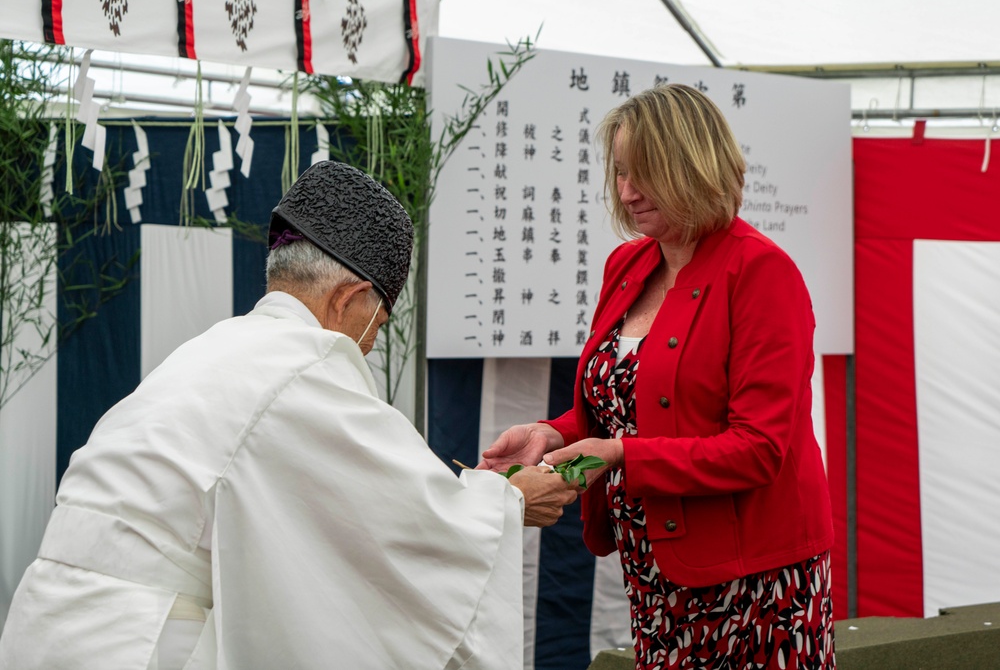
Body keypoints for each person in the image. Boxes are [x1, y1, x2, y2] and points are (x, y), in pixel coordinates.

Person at [0, 161, 578, 670]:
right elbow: (410, 525)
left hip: (44, 618)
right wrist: (510, 502)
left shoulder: (213, 347)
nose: (372, 346)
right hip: (135, 641)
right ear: (349, 299)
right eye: (378, 324)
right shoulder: (307, 365)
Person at [478, 85, 836, 669]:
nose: (627, 192)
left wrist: (613, 455)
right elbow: (634, 402)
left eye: (644, 173)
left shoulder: (762, 272)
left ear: (695, 166)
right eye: (619, 173)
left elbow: (759, 449)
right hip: (655, 566)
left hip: (755, 576)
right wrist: (555, 434)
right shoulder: (629, 264)